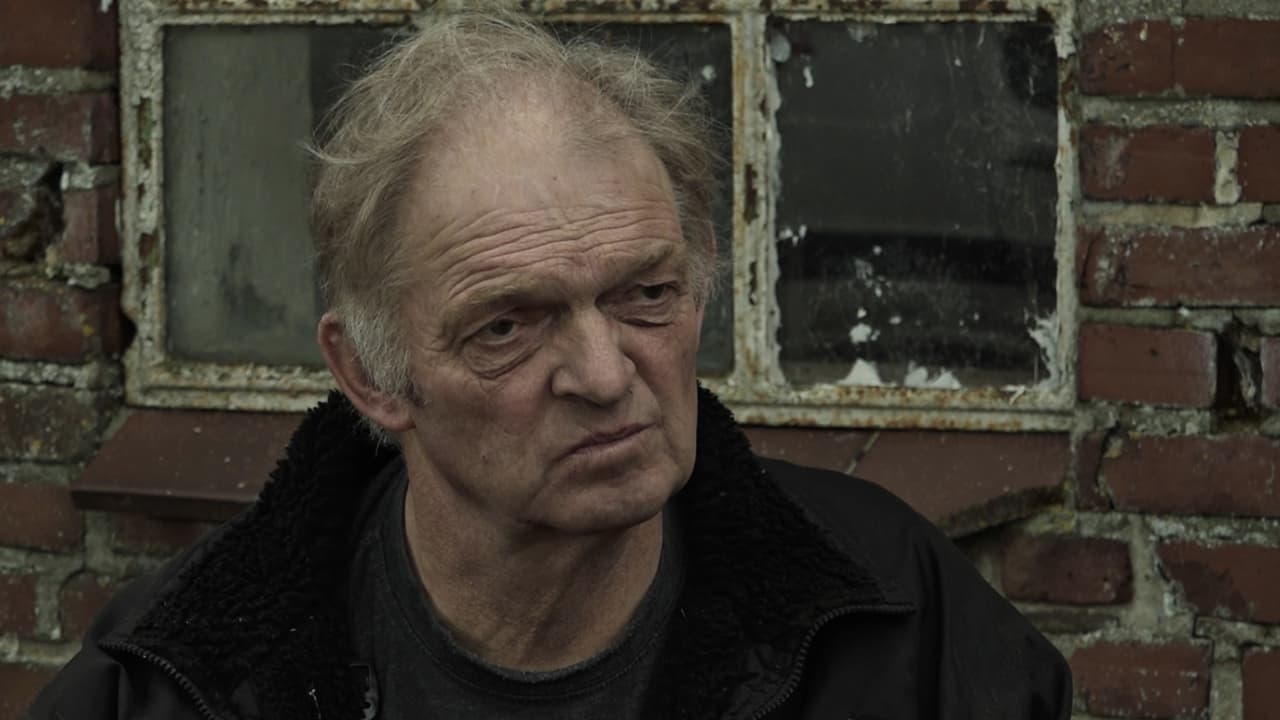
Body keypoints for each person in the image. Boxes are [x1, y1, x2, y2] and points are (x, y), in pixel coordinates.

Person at [28, 8, 1071, 719]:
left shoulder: (896, 624)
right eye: (507, 328)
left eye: (645, 295)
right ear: (372, 377)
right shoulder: (173, 680)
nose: (606, 376)